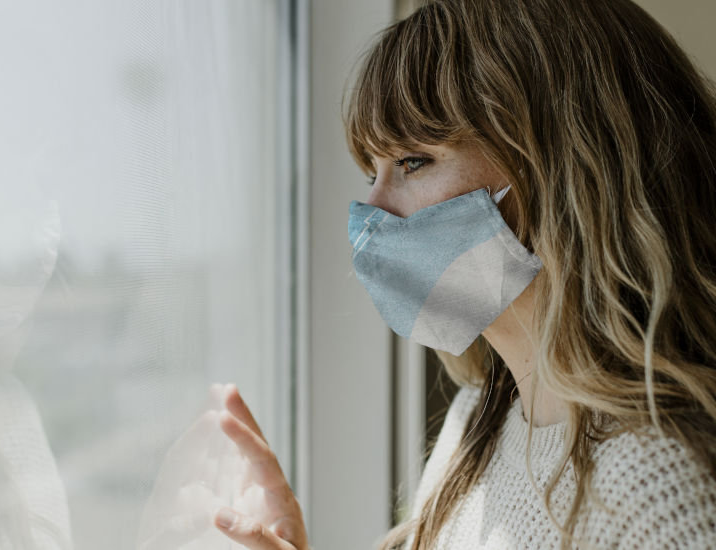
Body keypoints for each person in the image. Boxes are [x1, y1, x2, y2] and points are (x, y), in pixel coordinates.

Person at [210, 0, 716, 548]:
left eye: (412, 161)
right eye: (370, 171)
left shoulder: (662, 491)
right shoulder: (474, 424)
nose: (370, 212)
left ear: (568, 167)